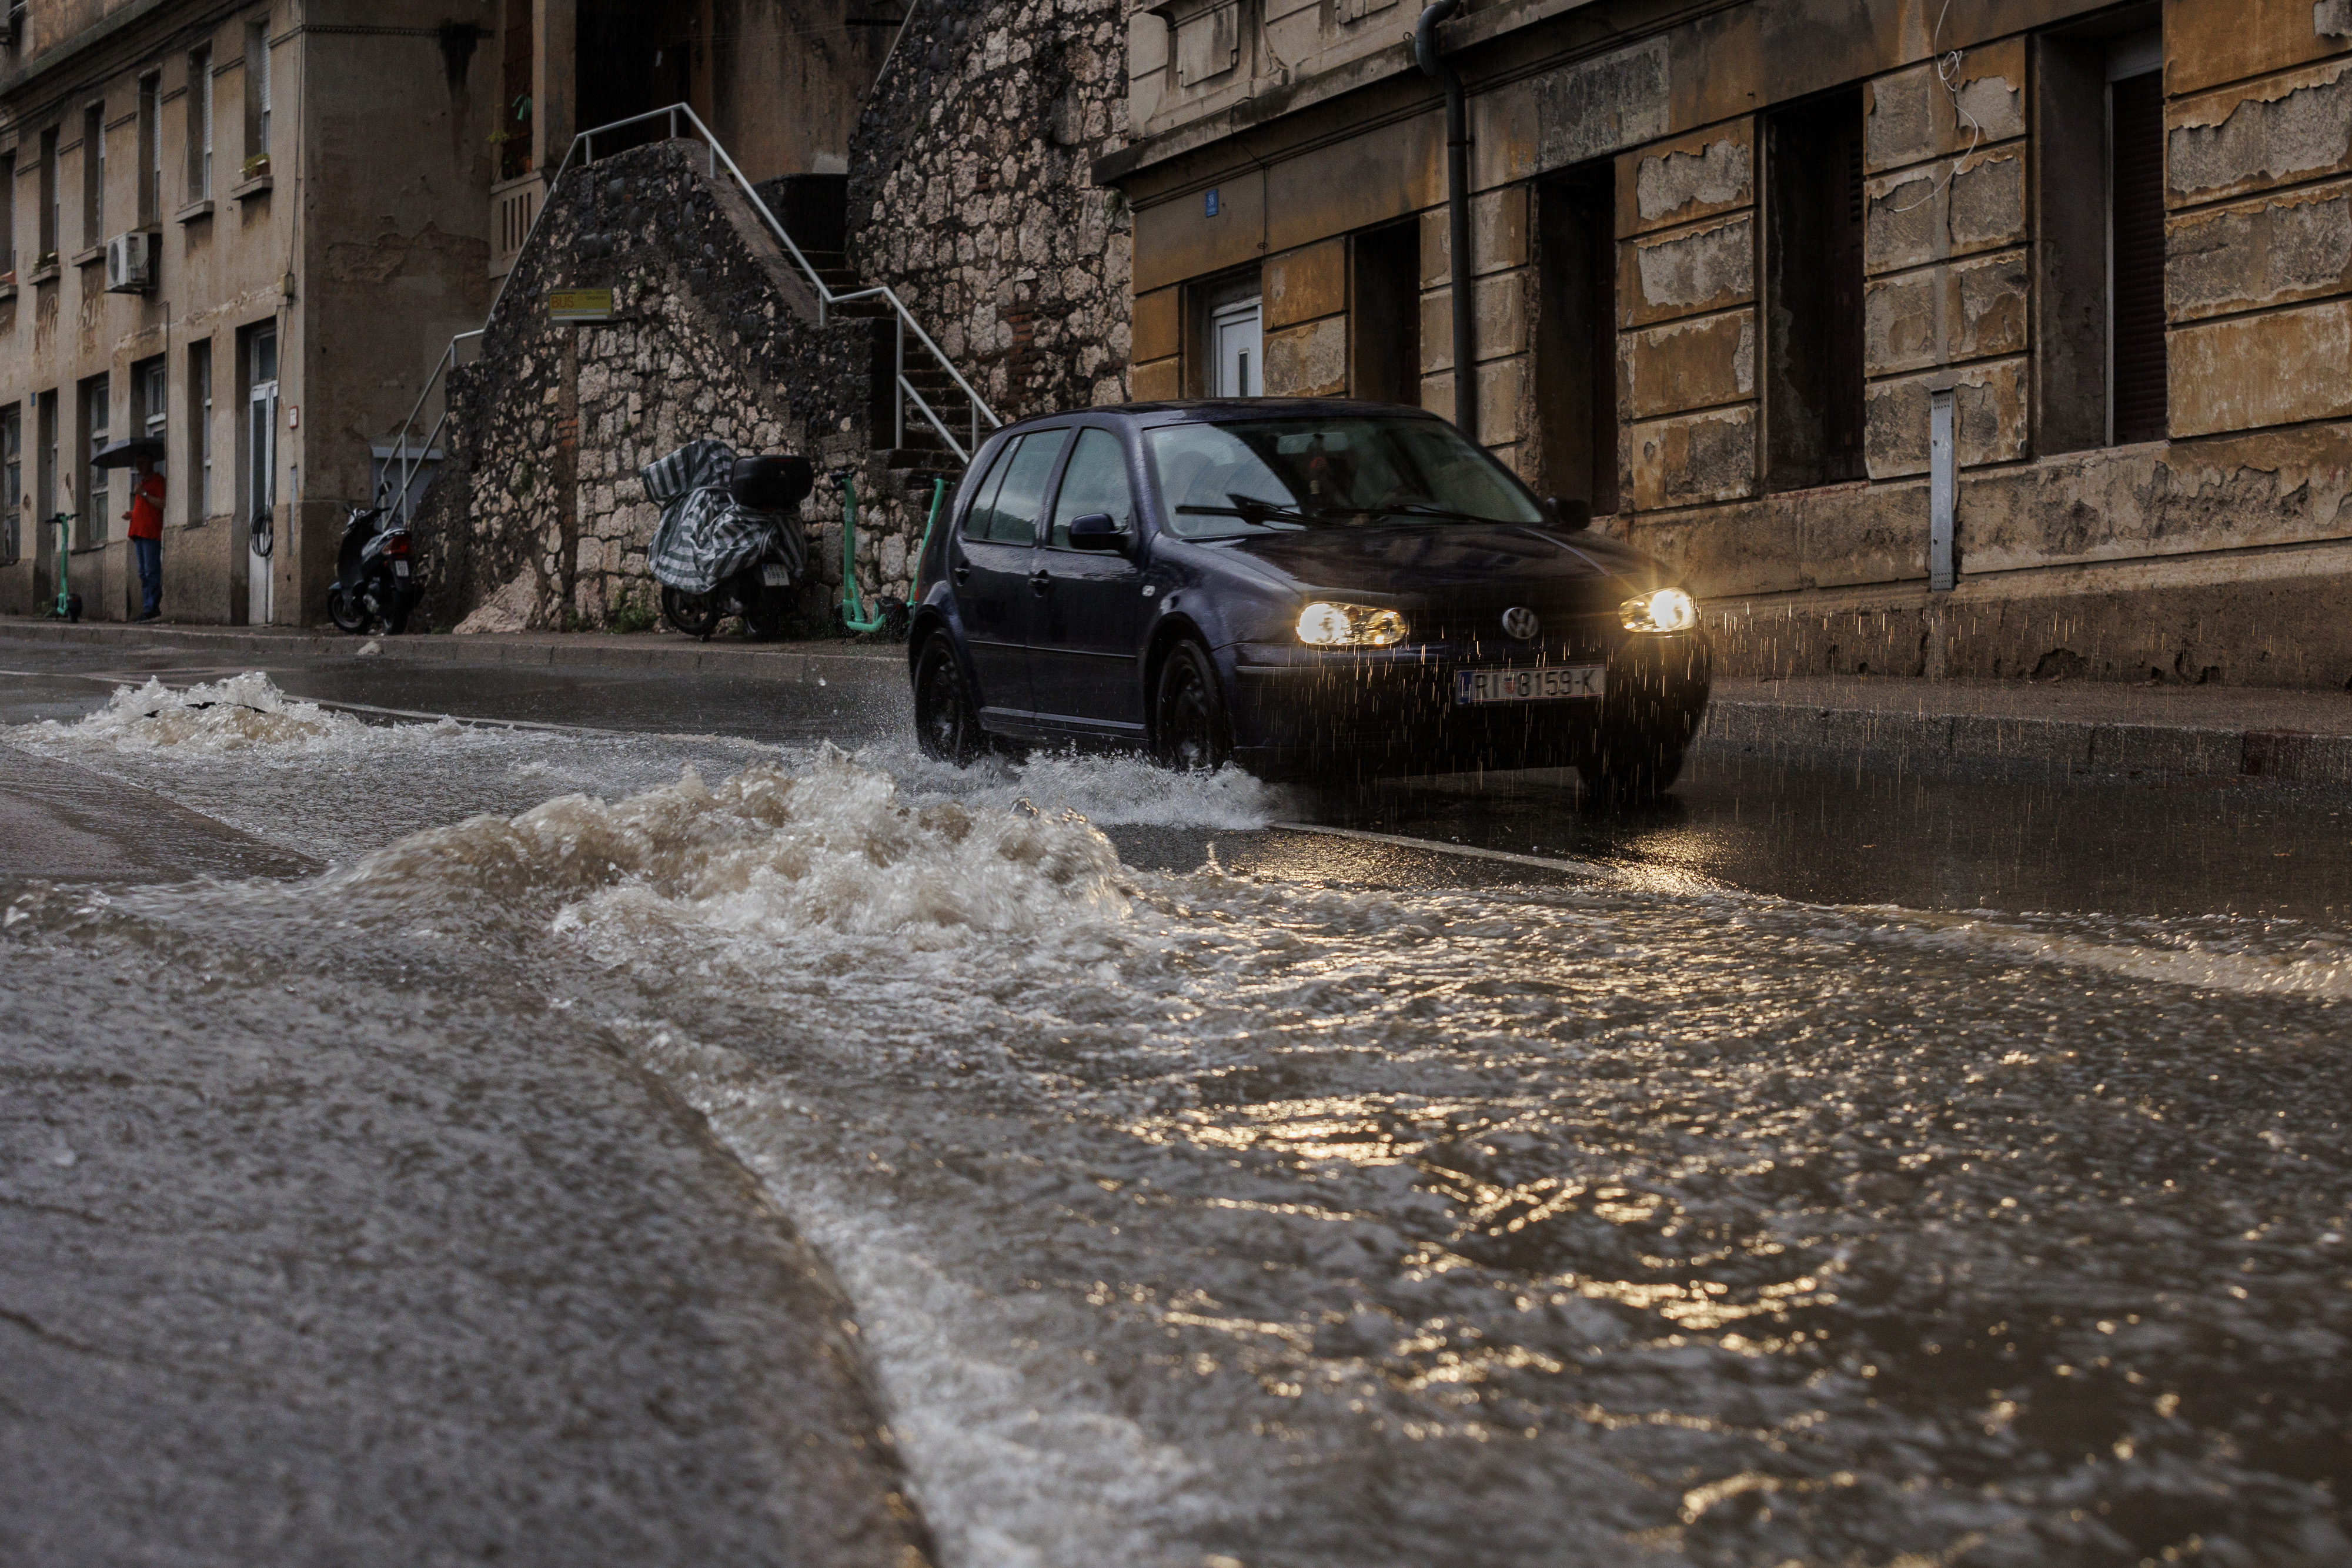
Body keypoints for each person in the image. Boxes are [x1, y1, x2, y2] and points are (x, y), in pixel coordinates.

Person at [123, 455, 165, 621]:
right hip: (138, 532)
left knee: (151, 571)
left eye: (143, 462)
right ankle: (147, 606)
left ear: (151, 463)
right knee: (142, 573)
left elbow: (161, 503)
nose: (140, 467)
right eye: (138, 463)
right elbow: (143, 509)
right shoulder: (141, 484)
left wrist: (144, 493)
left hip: (150, 533)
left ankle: (152, 607)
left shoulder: (157, 481)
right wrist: (131, 514)